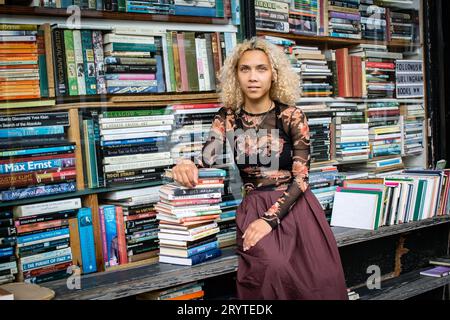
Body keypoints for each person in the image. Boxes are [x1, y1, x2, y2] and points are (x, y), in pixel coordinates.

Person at [171, 37, 348, 300]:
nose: (253, 77)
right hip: (254, 206)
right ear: (236, 75)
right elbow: (206, 158)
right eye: (245, 69)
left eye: (261, 68)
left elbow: (301, 179)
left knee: (319, 278)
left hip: (297, 206)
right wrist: (186, 163)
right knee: (271, 269)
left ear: (274, 75)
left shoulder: (291, 116)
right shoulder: (227, 117)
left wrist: (269, 221)